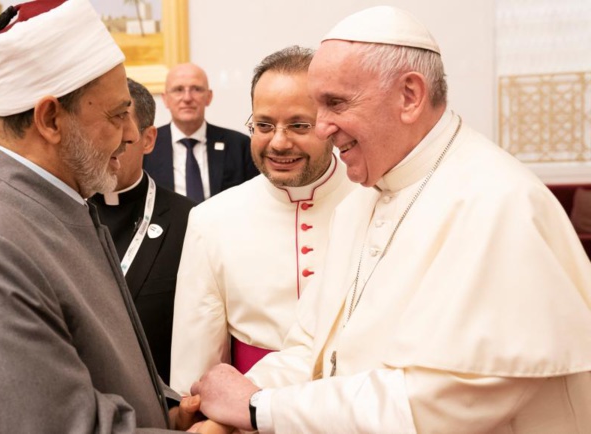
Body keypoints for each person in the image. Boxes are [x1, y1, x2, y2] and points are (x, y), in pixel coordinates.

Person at [191, 6, 591, 433]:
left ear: (409, 96)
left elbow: (437, 406)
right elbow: (314, 349)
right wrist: (229, 402)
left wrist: (257, 408)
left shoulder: (499, 205)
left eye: (335, 103)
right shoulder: (359, 203)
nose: (322, 128)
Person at [0, 1, 200, 431]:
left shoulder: (48, 203)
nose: (129, 134)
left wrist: (173, 414)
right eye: (117, 114)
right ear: (50, 118)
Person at [169, 46, 354, 396]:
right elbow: (194, 369)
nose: (279, 143)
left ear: (330, 122)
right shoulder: (211, 220)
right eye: (264, 125)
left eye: (299, 125)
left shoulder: (373, 201)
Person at [89, 78, 195, 385]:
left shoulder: (189, 220)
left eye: (122, 137)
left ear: (148, 139)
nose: (108, 147)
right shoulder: (60, 215)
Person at [144, 63, 258, 202]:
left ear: (209, 97)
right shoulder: (147, 146)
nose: (187, 98)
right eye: (178, 90)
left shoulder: (239, 145)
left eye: (196, 89)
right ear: (165, 99)